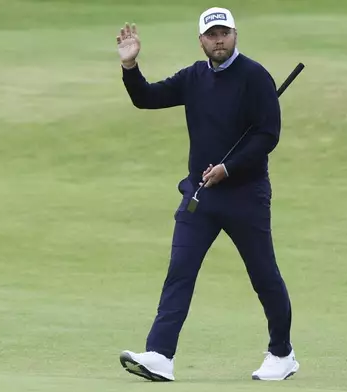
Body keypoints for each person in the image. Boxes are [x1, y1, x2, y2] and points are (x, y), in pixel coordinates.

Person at [115, 7, 300, 382]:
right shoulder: (193, 77)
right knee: (179, 272)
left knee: (263, 275)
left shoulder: (254, 76)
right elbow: (146, 98)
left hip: (246, 196)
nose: (219, 40)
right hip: (200, 195)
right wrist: (131, 68)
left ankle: (282, 354)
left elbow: (268, 134)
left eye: (225, 33)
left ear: (235, 35)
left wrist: (228, 168)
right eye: (211, 35)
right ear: (201, 40)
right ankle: (159, 355)